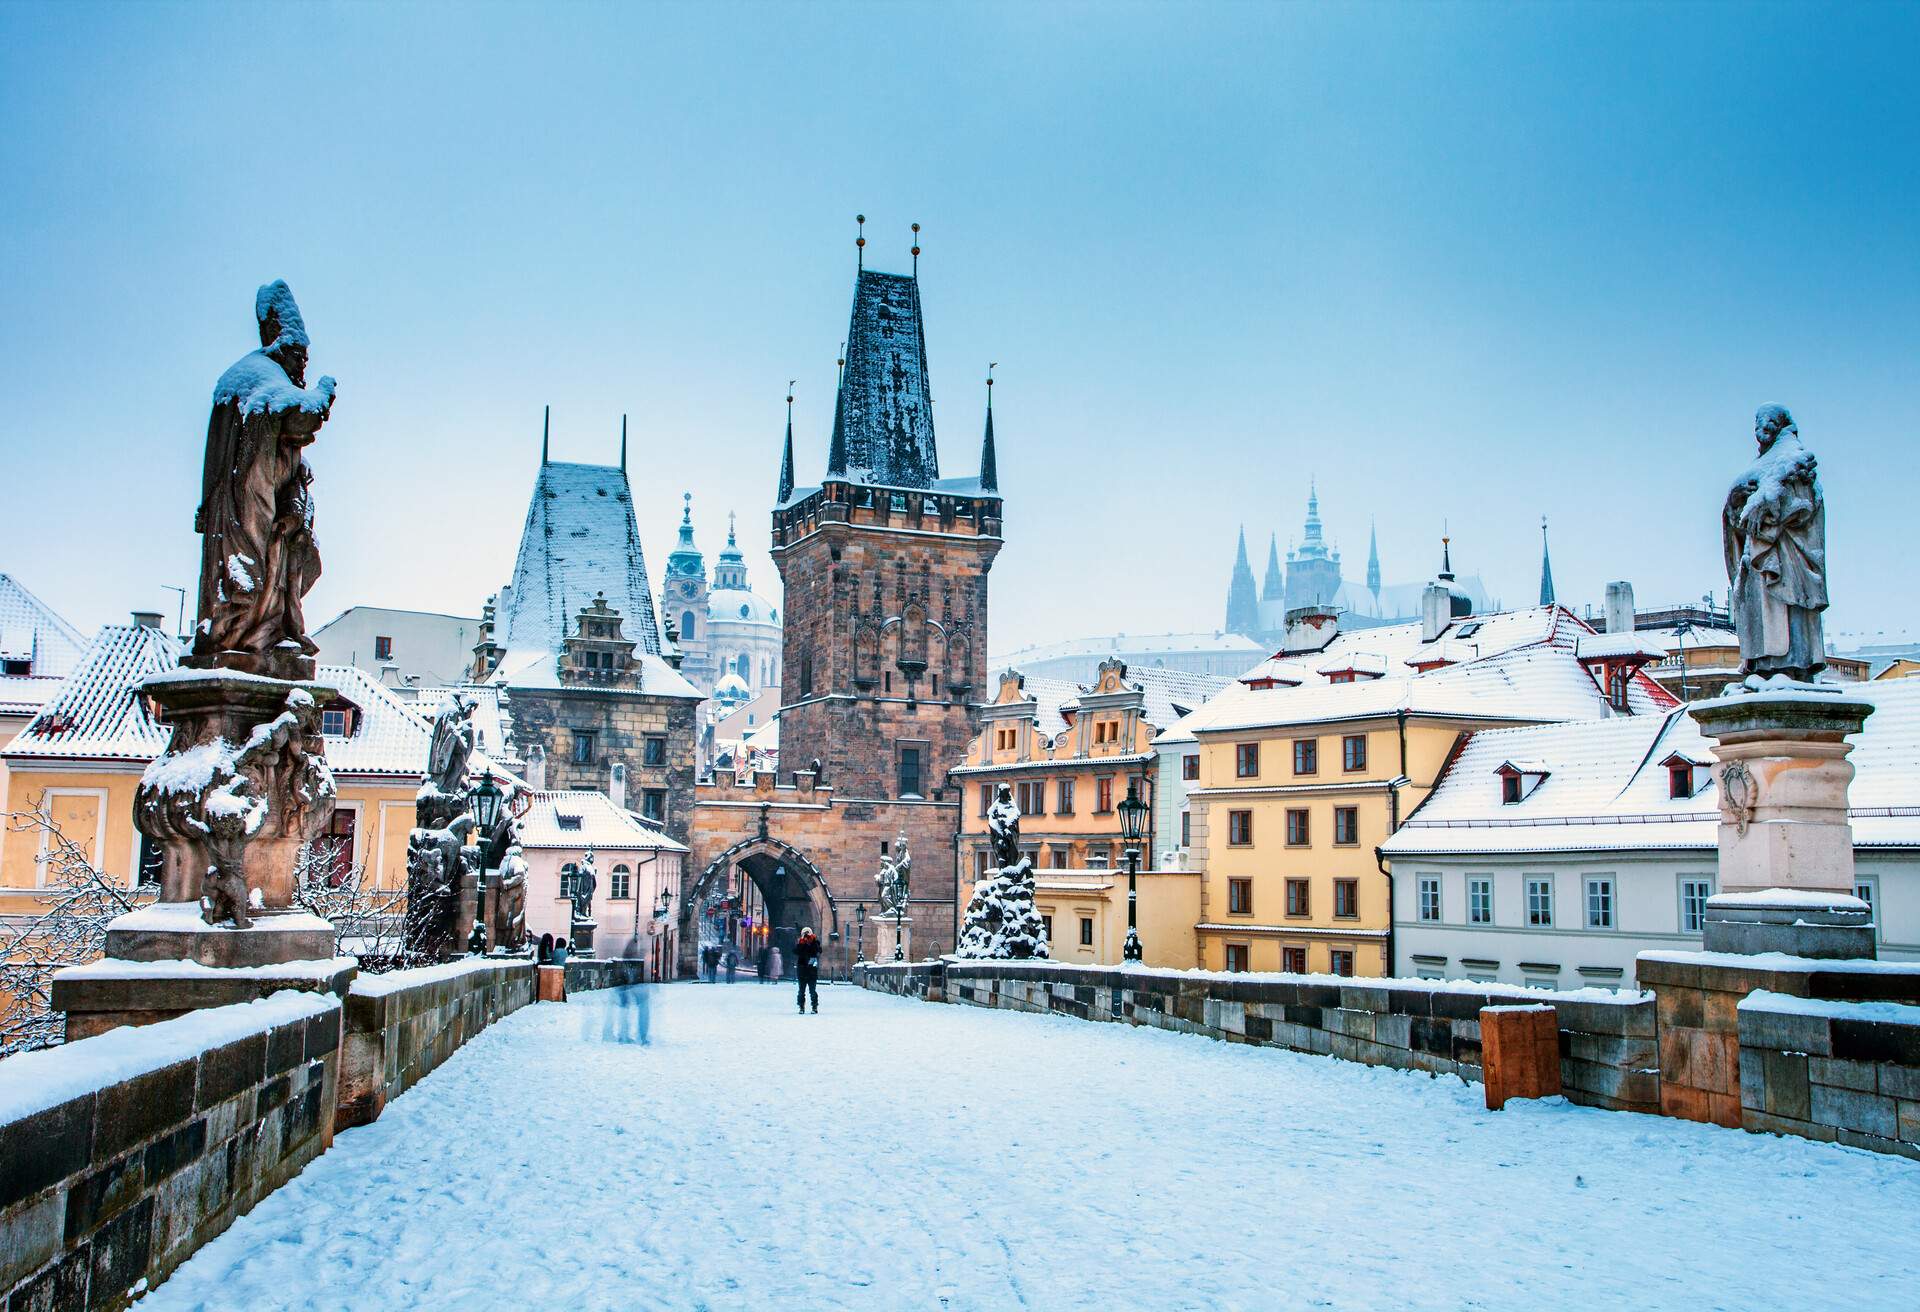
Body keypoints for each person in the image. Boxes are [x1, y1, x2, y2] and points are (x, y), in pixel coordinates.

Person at [794, 927, 822, 1014]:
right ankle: (801, 1007)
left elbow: (818, 950)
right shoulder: (800, 943)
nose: (806, 936)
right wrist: (801, 942)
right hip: (802, 971)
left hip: (811, 971)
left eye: (808, 934)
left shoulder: (815, 943)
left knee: (812, 991)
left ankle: (814, 1006)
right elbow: (796, 951)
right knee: (801, 991)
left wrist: (812, 941)